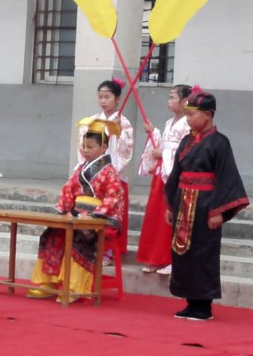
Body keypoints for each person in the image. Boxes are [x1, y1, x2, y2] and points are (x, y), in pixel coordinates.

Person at [165, 92, 249, 321]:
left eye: (192, 114)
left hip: (205, 206)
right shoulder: (186, 141)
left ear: (208, 115)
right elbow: (176, 174)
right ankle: (190, 301)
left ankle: (204, 306)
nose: (188, 119)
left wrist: (219, 212)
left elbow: (227, 177)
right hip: (183, 203)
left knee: (203, 253)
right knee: (184, 253)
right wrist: (170, 205)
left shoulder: (220, 143)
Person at [28, 119, 124, 302]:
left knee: (80, 238)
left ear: (104, 147)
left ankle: (74, 287)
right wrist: (63, 210)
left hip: (99, 220)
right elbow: (68, 188)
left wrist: (95, 215)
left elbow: (113, 197)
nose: (85, 150)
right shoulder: (81, 169)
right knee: (51, 234)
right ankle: (47, 283)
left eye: (90, 147)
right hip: (77, 215)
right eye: (84, 146)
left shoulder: (110, 172)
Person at [137, 85, 192, 275]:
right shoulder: (169, 122)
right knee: (156, 214)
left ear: (185, 101)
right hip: (162, 172)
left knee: (171, 216)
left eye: (172, 97)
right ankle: (155, 257)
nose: (169, 101)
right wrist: (153, 133)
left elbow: (188, 150)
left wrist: (165, 153)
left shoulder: (188, 124)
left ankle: (171, 258)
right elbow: (163, 145)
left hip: (175, 174)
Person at [77, 79, 133, 256]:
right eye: (100, 97)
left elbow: (126, 149)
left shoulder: (123, 121)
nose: (103, 101)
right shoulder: (92, 121)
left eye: (107, 97)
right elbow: (83, 145)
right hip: (94, 176)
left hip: (112, 175)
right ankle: (90, 248)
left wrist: (118, 133)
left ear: (117, 99)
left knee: (111, 212)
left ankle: (109, 251)